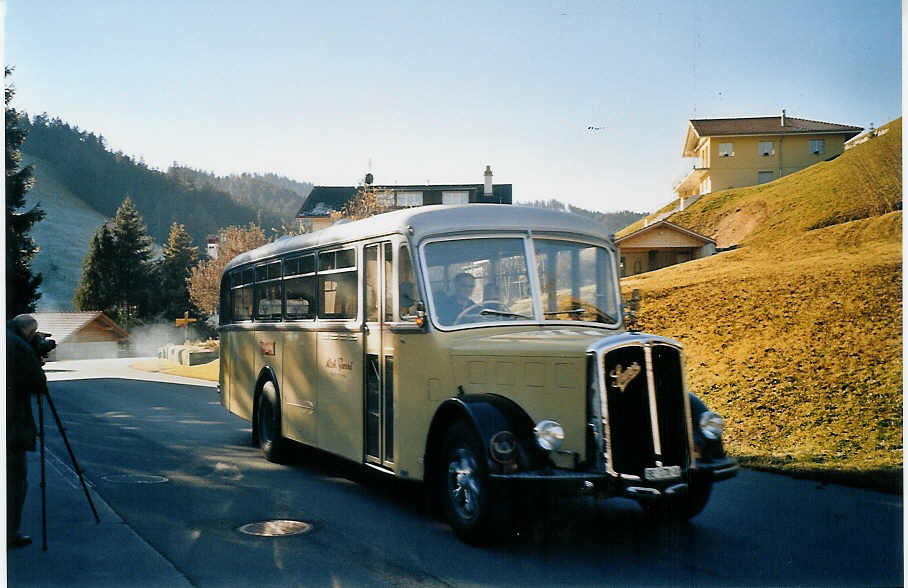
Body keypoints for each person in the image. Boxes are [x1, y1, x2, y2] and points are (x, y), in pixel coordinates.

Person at [7, 314, 46, 549]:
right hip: (11, 425)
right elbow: (38, 384)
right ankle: (10, 533)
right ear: (29, 332)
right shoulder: (19, 346)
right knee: (15, 480)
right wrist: (36, 355)